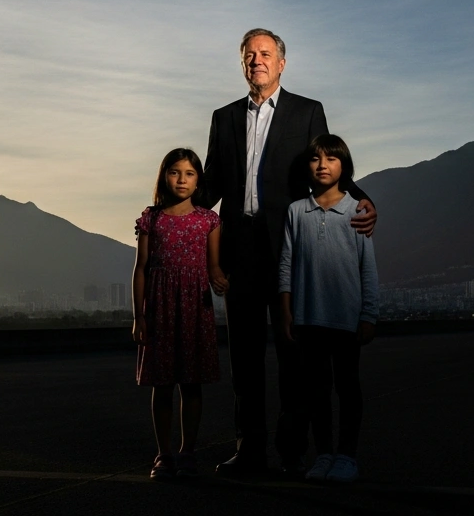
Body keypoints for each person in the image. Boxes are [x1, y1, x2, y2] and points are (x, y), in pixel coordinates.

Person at [196, 28, 377, 477]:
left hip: (290, 247)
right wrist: (167, 212)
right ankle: (249, 450)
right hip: (238, 248)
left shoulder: (307, 111)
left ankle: (292, 451)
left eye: (265, 53)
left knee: (294, 355)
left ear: (281, 63)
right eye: (249, 54)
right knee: (244, 358)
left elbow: (329, 163)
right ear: (242, 64)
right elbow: (211, 185)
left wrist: (363, 200)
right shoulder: (223, 117)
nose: (256, 60)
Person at [277, 134, 378, 484]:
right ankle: (323, 455)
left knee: (348, 388)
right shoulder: (296, 211)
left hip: (346, 319)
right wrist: (286, 311)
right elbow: (286, 264)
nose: (323, 165)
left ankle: (347, 456)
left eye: (331, 159)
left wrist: (368, 315)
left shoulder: (357, 211)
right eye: (315, 158)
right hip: (308, 319)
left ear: (344, 167)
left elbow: (368, 268)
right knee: (316, 392)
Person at [131, 148, 230, 480]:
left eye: (189, 173)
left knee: (191, 384)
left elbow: (214, 267)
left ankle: (188, 452)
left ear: (198, 180)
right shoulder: (151, 219)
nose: (182, 179)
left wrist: (220, 281)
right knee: (161, 385)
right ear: (164, 177)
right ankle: (164, 454)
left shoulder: (208, 220)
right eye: (175, 172)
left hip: (195, 308)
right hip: (158, 308)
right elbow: (141, 269)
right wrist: (139, 316)